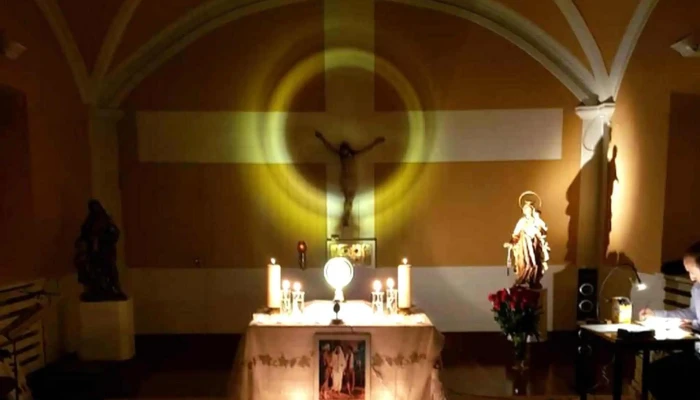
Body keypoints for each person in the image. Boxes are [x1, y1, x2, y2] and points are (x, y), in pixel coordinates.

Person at [639, 241, 700, 400]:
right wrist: (657, 315)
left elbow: (696, 321)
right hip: (696, 352)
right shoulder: (697, 288)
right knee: (654, 372)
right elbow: (693, 313)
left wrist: (693, 326)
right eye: (687, 272)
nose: (691, 277)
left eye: (692, 271)